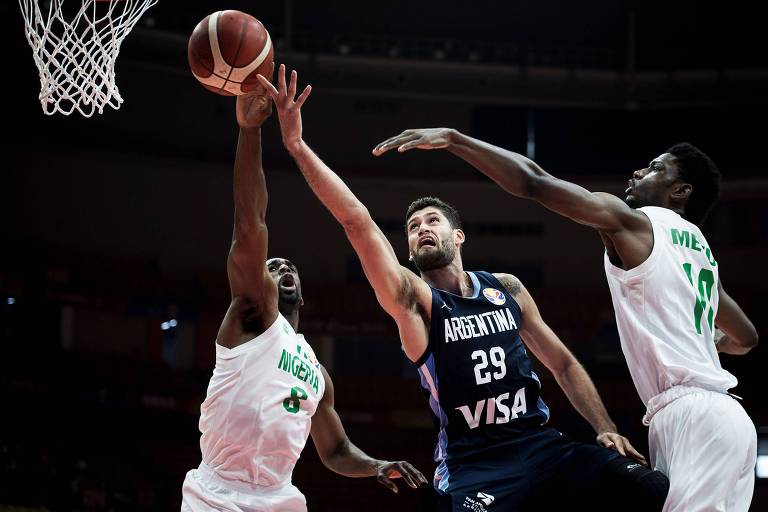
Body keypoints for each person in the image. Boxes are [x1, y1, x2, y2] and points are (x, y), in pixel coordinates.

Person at [257, 65, 669, 512]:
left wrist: (604, 425)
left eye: (433, 221)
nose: (421, 229)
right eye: (413, 228)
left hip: (542, 447)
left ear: (458, 236)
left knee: (649, 489)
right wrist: (296, 146)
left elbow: (564, 364)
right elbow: (356, 220)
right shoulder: (415, 302)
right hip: (475, 463)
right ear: (410, 253)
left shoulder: (507, 289)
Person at [373, 127, 758, 511]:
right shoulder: (700, 251)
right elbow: (745, 337)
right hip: (727, 417)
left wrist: (456, 141)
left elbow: (534, 182)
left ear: (681, 191)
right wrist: (702, 340)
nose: (638, 173)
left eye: (654, 168)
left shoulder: (635, 223)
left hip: (692, 415)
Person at [181, 78, 427, 512]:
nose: (282, 267)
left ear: (304, 295)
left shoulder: (317, 372)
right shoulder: (251, 318)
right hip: (215, 494)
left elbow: (334, 452)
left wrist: (374, 465)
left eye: (289, 266)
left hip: (280, 499)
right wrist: (250, 131)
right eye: (272, 266)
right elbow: (249, 222)